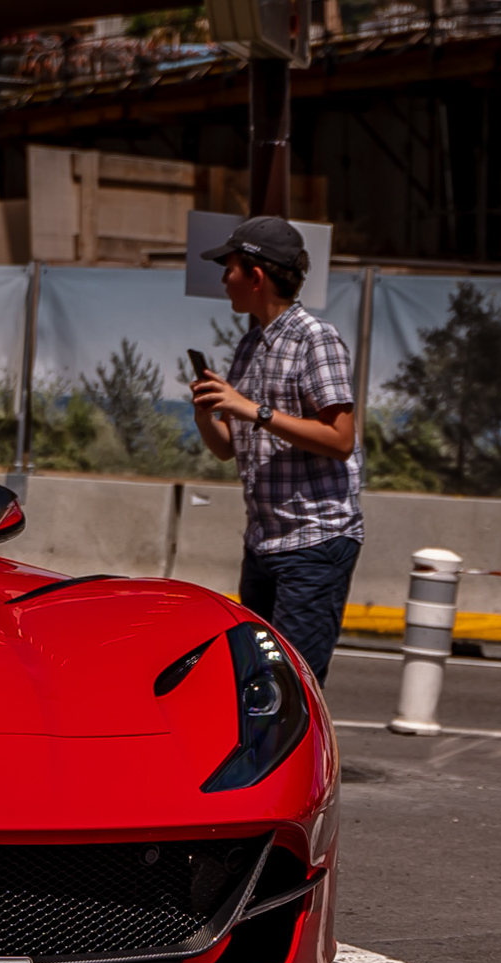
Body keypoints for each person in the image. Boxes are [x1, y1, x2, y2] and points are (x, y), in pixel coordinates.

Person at [188, 215, 361, 681]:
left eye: (229, 268)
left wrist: (253, 410)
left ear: (256, 275)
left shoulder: (315, 339)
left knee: (290, 683)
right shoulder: (249, 345)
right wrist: (208, 412)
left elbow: (340, 439)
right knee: (253, 682)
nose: (223, 279)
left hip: (314, 541)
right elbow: (228, 449)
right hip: (264, 543)